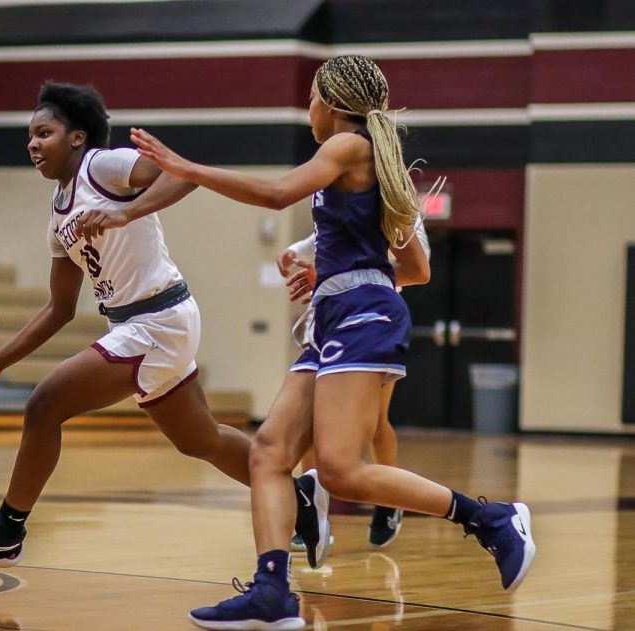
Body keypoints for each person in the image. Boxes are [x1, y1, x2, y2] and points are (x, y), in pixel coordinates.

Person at [126, 55, 535, 629]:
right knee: (270, 453)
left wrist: (186, 168)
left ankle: (491, 519)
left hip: (361, 318)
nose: (307, 109)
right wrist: (335, 272)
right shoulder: (370, 164)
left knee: (340, 470)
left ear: (330, 102)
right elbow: (416, 270)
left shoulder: (347, 145)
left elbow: (275, 195)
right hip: (343, 312)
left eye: (311, 97)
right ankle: (272, 591)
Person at [0, 82, 329, 569]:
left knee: (44, 407)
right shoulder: (59, 218)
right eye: (30, 136)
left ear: (76, 138)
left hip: (157, 318)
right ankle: (298, 495)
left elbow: (181, 175)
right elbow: (59, 308)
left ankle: (6, 530)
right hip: (144, 323)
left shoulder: (103, 165)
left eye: (44, 132)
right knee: (199, 440)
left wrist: (126, 209)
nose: (32, 143)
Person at [281, 219, 430, 552]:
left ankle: (390, 500)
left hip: (372, 318)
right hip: (331, 316)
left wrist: (345, 275)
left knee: (375, 422)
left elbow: (418, 267)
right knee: (310, 420)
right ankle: (312, 511)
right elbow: (318, 236)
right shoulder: (337, 196)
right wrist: (293, 252)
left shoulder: (395, 208)